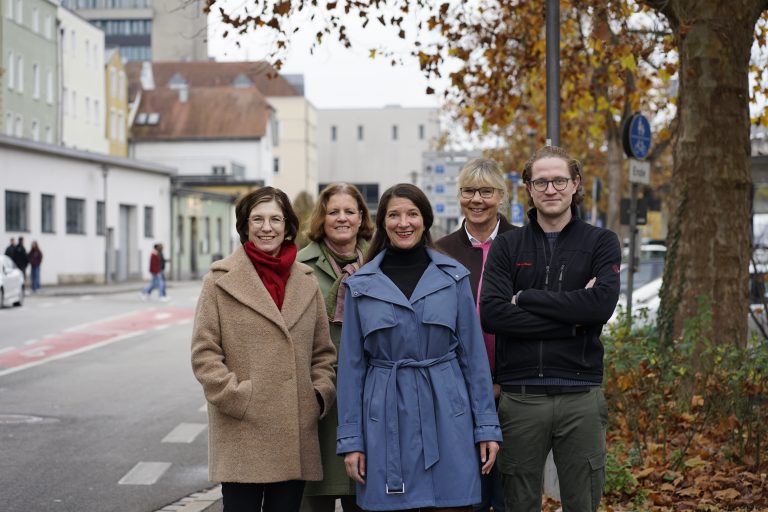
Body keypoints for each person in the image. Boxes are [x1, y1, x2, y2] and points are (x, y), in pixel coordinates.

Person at [336, 183, 502, 512]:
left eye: (412, 214)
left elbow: (473, 359)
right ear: (382, 223)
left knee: (451, 504)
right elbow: (351, 370)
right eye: (394, 215)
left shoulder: (453, 277)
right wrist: (352, 441)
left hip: (448, 417)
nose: (404, 223)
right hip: (385, 421)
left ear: (425, 220)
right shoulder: (359, 286)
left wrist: (486, 428)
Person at [479, 146, 621, 512]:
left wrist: (525, 297)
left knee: (583, 503)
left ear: (575, 184)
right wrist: (575, 322)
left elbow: (600, 306)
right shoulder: (507, 246)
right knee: (517, 504)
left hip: (580, 394)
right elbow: (492, 314)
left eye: (559, 180)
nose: (551, 189)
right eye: (541, 181)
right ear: (528, 187)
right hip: (521, 396)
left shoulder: (601, 242)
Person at [191, 187, 337, 512]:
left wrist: (316, 397)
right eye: (257, 219)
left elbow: (323, 353)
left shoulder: (307, 281)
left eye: (275, 219)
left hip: (294, 429)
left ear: (288, 226)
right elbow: (204, 354)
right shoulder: (219, 281)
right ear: (245, 225)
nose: (266, 227)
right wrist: (238, 398)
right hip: (241, 430)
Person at [436, 158, 516, 512]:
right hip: (459, 390)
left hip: (516, 386)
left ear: (501, 196)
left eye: (486, 191)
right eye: (469, 191)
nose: (477, 199)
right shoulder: (441, 251)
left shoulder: (523, 243)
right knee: (469, 492)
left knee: (512, 489)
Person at [297, 184, 374, 512]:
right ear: (322, 218)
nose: (342, 218)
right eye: (333, 212)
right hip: (319, 396)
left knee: (366, 496)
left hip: (369, 394)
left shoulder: (380, 261)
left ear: (361, 218)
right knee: (316, 496)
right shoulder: (300, 265)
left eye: (349, 211)